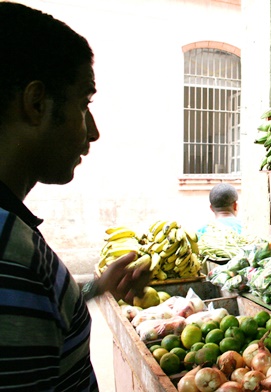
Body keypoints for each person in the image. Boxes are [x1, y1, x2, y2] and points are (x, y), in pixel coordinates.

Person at [0, 2, 151, 391]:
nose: (94, 131)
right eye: (84, 104)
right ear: (36, 104)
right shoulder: (9, 259)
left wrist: (94, 289)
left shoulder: (12, 235)